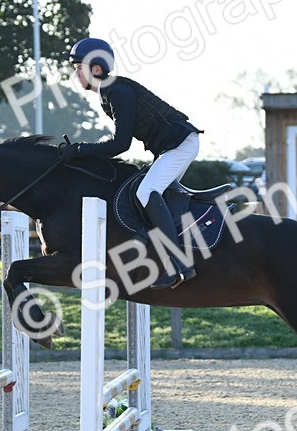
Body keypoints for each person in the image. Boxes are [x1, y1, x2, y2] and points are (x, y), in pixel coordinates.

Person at [64, 37, 202, 289]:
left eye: (78, 67)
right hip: (174, 145)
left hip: (180, 144)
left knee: (146, 191)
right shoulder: (110, 92)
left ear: (96, 68)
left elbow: (120, 145)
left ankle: (179, 263)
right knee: (145, 193)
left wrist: (81, 150)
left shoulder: (116, 91)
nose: (75, 74)